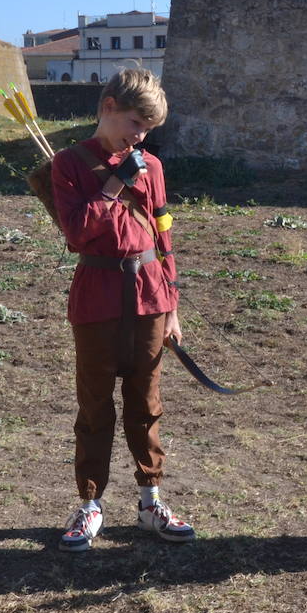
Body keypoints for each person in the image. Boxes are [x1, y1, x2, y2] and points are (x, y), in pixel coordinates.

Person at [49, 67, 194, 551]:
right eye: (136, 123)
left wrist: (172, 302)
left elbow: (163, 228)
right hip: (96, 297)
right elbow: (76, 233)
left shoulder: (150, 164)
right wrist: (113, 184)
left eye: (148, 129)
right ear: (108, 107)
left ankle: (151, 501)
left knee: (146, 403)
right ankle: (90, 505)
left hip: (151, 295)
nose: (141, 135)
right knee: (94, 407)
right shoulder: (68, 164)